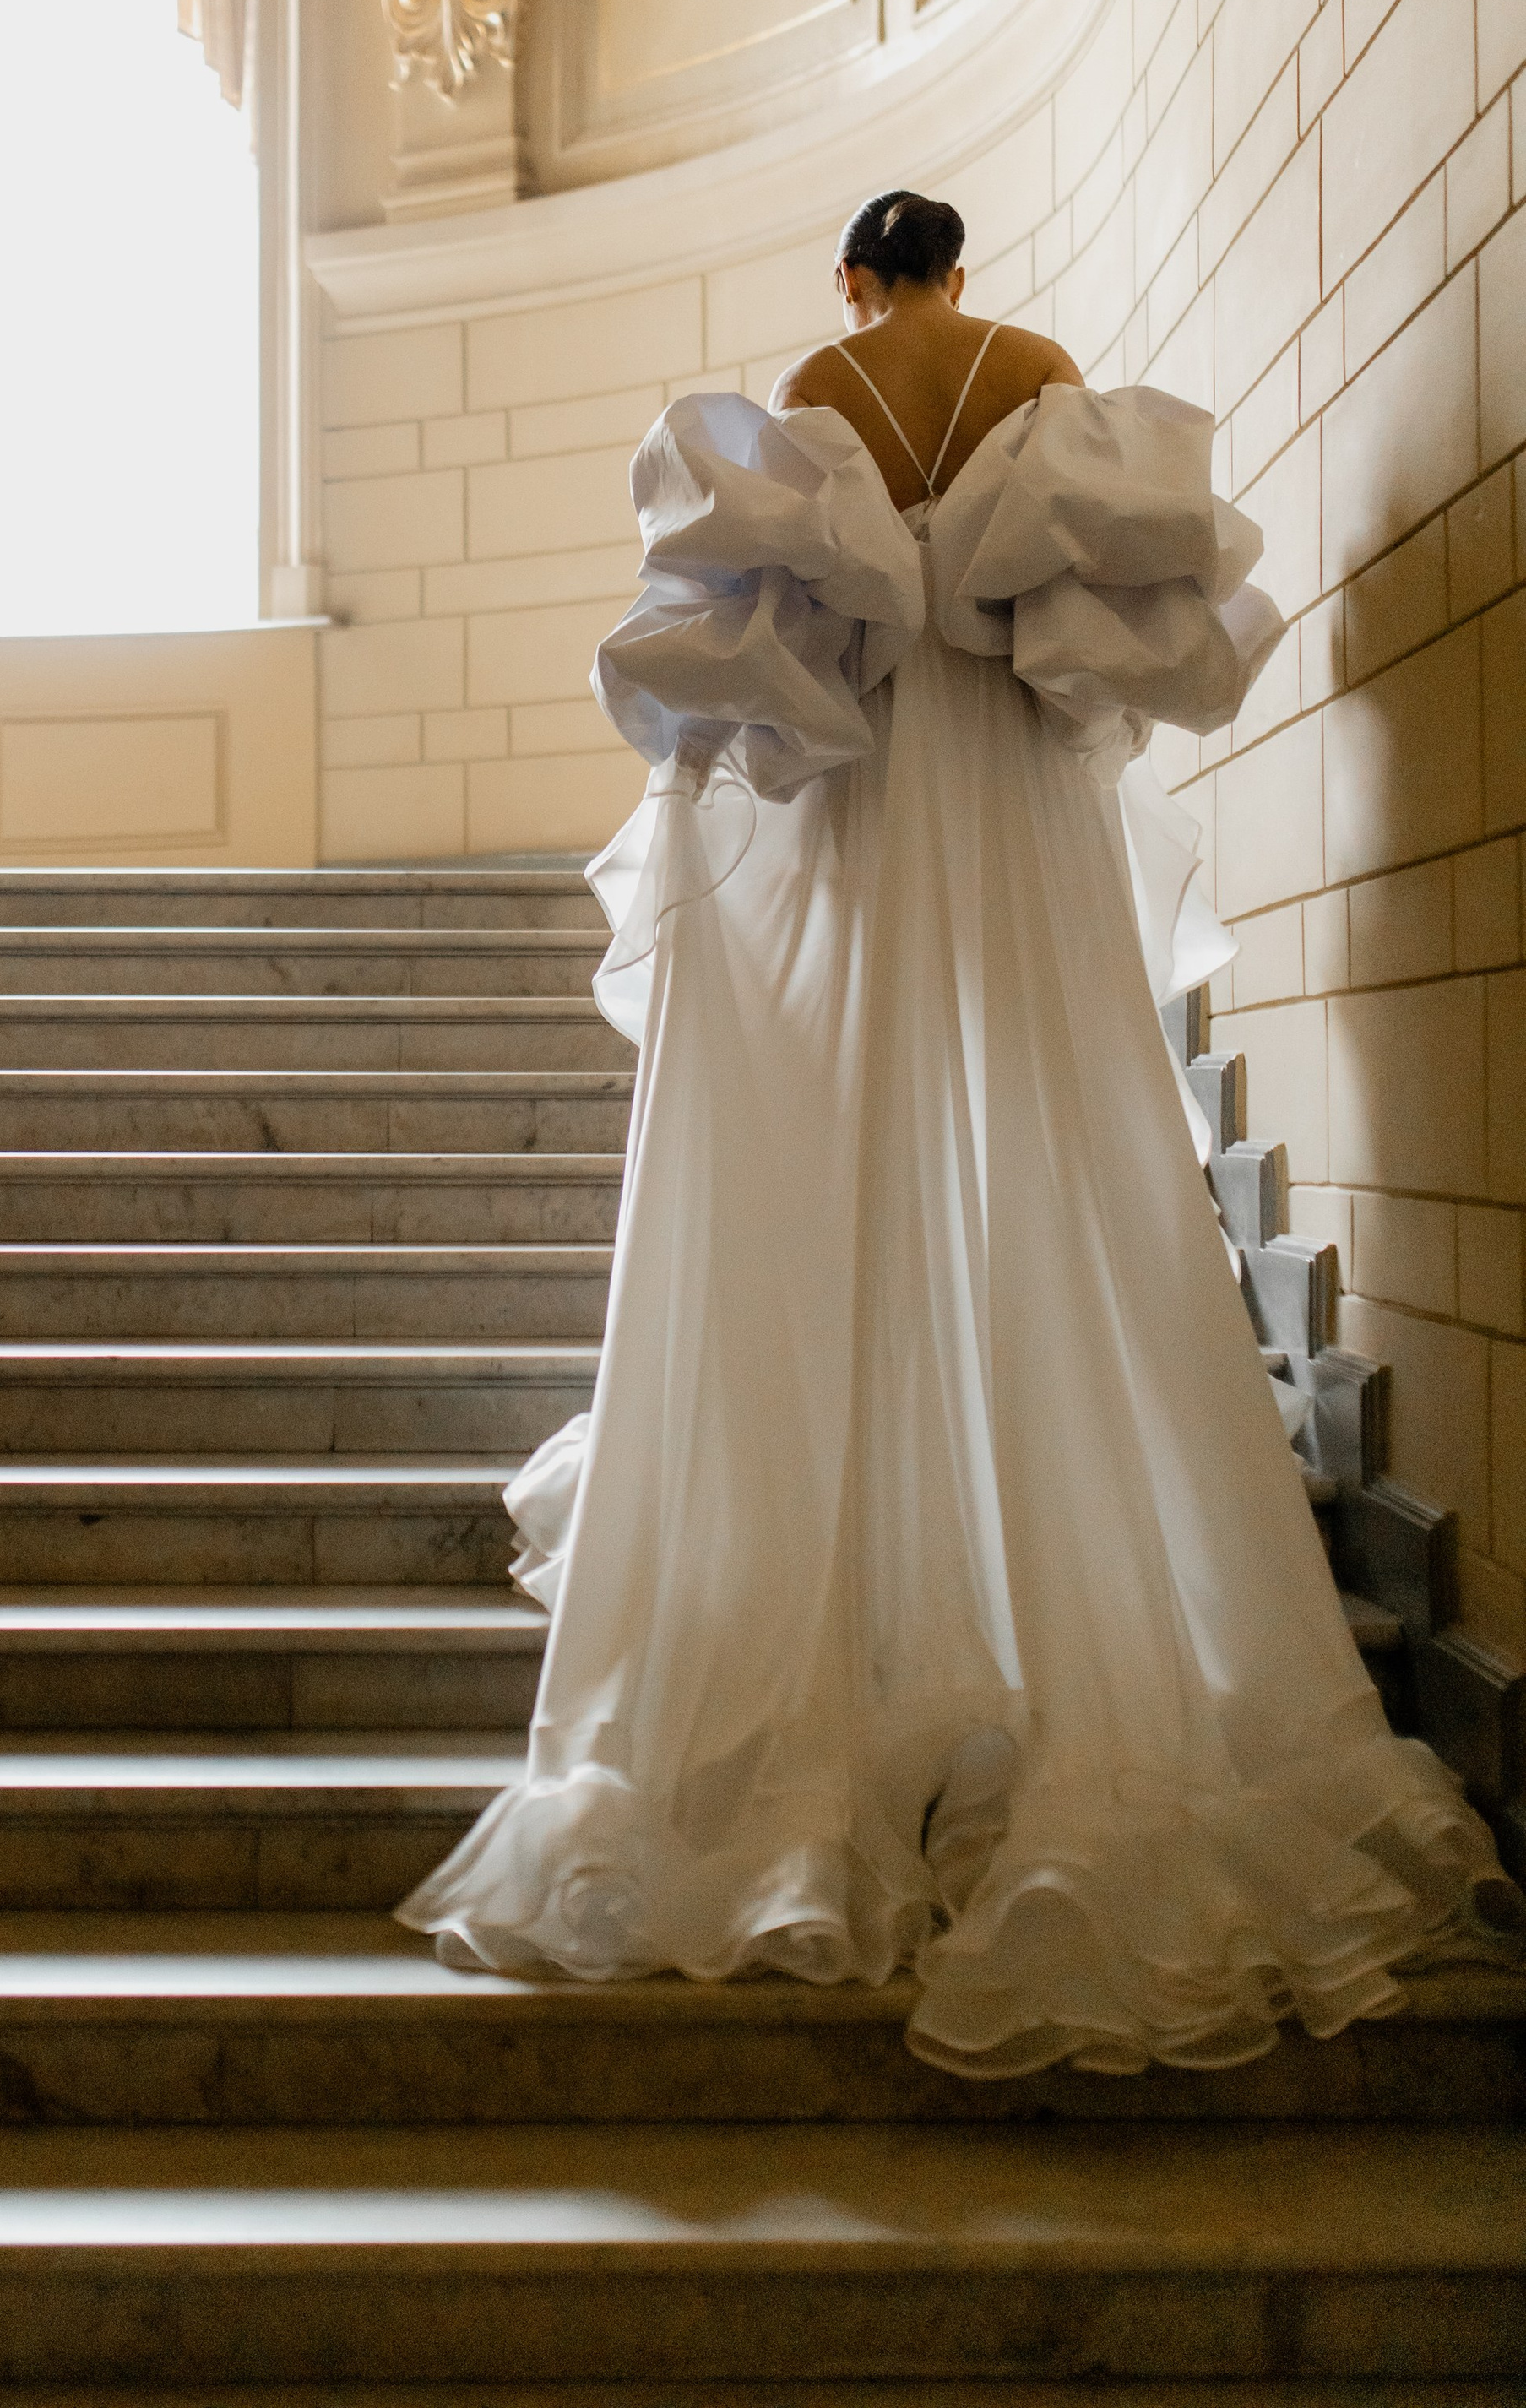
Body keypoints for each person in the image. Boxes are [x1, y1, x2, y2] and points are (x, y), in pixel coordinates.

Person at [399, 187, 1518, 2077]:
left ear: (852, 272)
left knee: (848, 1141)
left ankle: (840, 1655)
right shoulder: (1036, 374)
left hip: (867, 785)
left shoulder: (820, 386)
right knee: (1054, 1136)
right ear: (961, 268)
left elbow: (749, 647)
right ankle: (1085, 1632)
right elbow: (1102, 623)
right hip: (1005, 784)